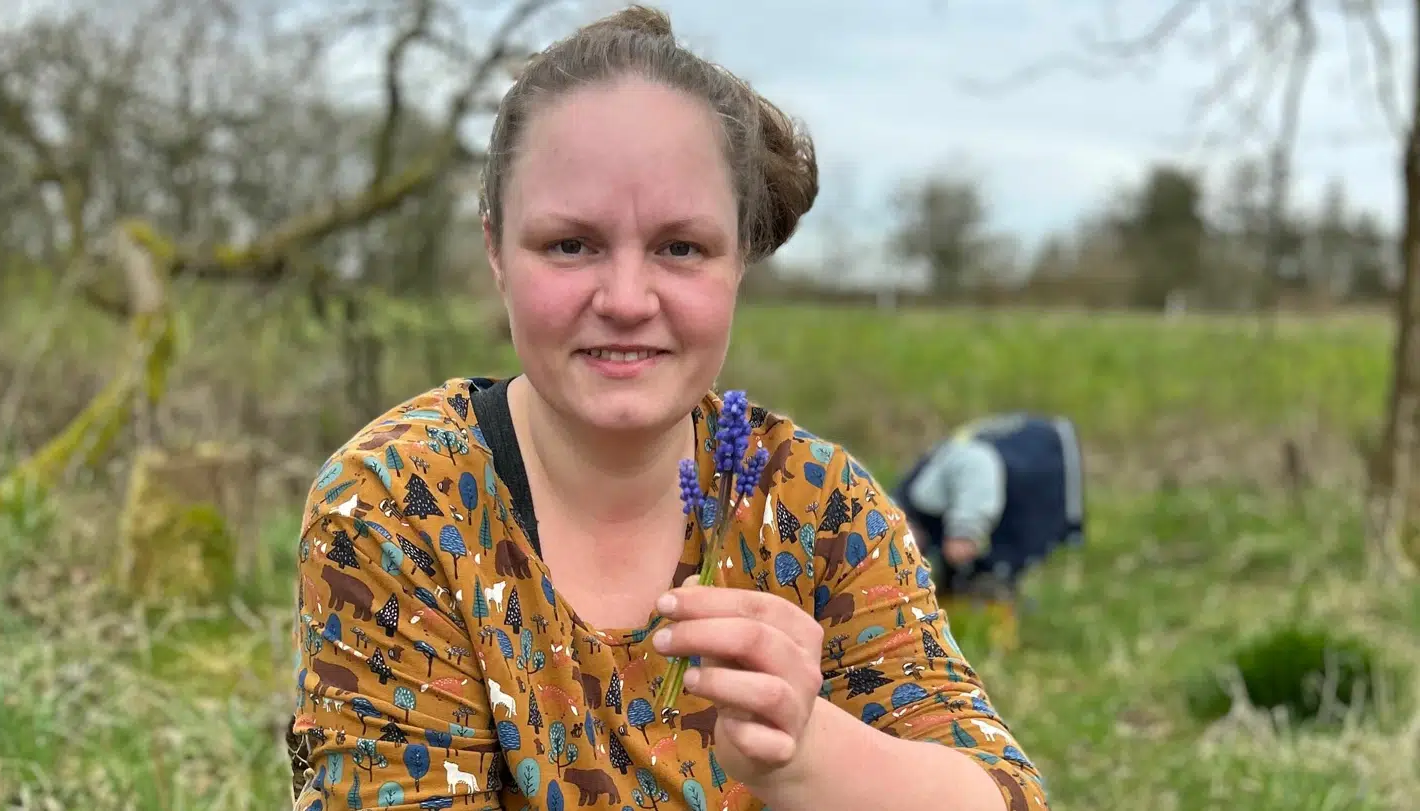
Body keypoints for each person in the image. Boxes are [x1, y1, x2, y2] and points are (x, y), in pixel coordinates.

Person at [287, 7, 1049, 811]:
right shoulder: (397, 503)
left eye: (680, 247)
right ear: (495, 251)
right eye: (570, 244)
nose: (624, 299)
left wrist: (805, 751)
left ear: (740, 258)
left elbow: (1000, 796)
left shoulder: (821, 510)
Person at [891, 413, 1085, 648]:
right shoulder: (916, 508)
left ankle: (995, 635)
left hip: (1028, 481)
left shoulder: (922, 490)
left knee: (987, 573)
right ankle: (973, 634)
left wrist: (966, 529)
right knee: (967, 577)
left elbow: (977, 464)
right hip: (1018, 498)